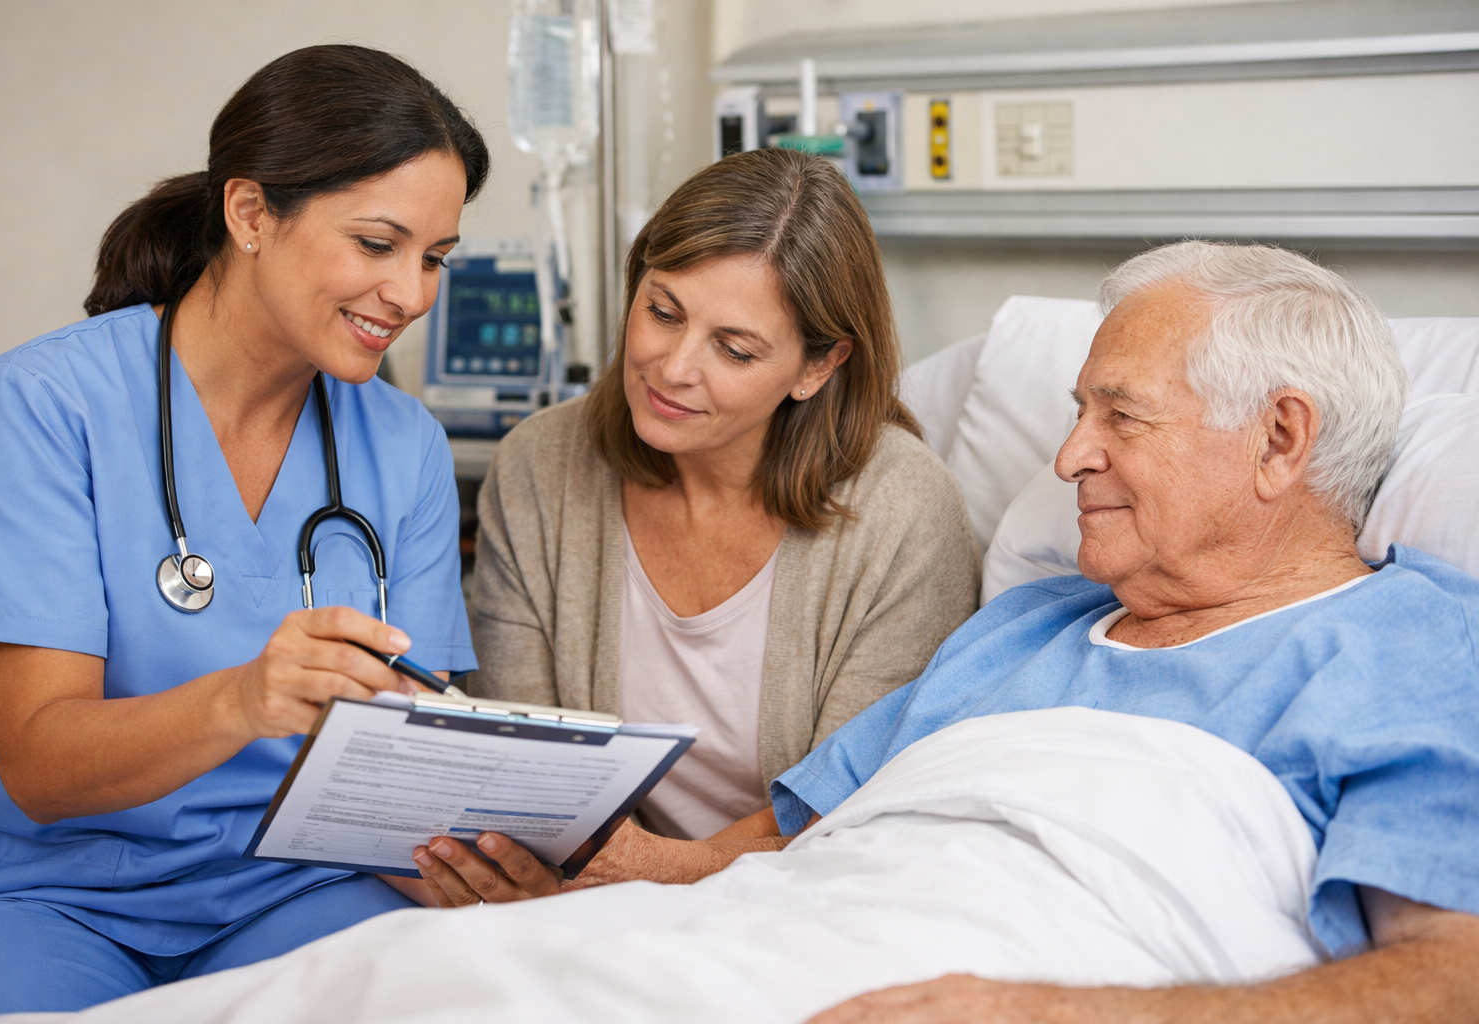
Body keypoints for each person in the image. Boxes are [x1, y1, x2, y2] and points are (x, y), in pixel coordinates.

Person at [408, 241, 1479, 1024]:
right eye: (1073, 412)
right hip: (784, 939)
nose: (1067, 458)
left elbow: (1448, 974)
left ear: (1281, 438)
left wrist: (1049, 1011)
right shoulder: (1024, 626)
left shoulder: (1415, 647)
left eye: (1121, 416)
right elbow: (793, 842)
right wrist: (600, 871)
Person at [0, 45, 489, 1020]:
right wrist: (244, 697)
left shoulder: (400, 444)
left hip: (291, 880)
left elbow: (407, 746)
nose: (412, 294)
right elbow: (37, 760)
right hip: (41, 887)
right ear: (249, 214)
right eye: (378, 244)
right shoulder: (41, 407)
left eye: (435, 258)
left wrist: (495, 872)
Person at [418, 148, 978, 887]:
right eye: (662, 312)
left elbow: (851, 805)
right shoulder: (541, 467)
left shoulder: (904, 513)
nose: (673, 367)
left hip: (798, 902)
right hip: (572, 903)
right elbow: (527, 768)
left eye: (735, 349)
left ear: (818, 366)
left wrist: (659, 873)